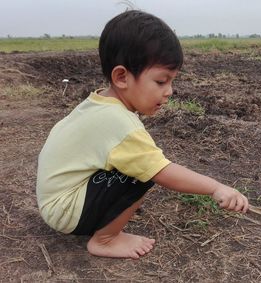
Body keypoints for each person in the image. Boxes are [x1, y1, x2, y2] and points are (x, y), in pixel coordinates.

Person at [36, 9, 248, 260]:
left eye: (171, 82)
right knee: (141, 174)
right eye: (161, 82)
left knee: (135, 165)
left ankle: (104, 218)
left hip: (57, 200)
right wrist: (216, 188)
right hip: (65, 211)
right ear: (122, 77)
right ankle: (105, 240)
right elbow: (162, 171)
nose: (169, 91)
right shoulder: (119, 123)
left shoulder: (99, 103)